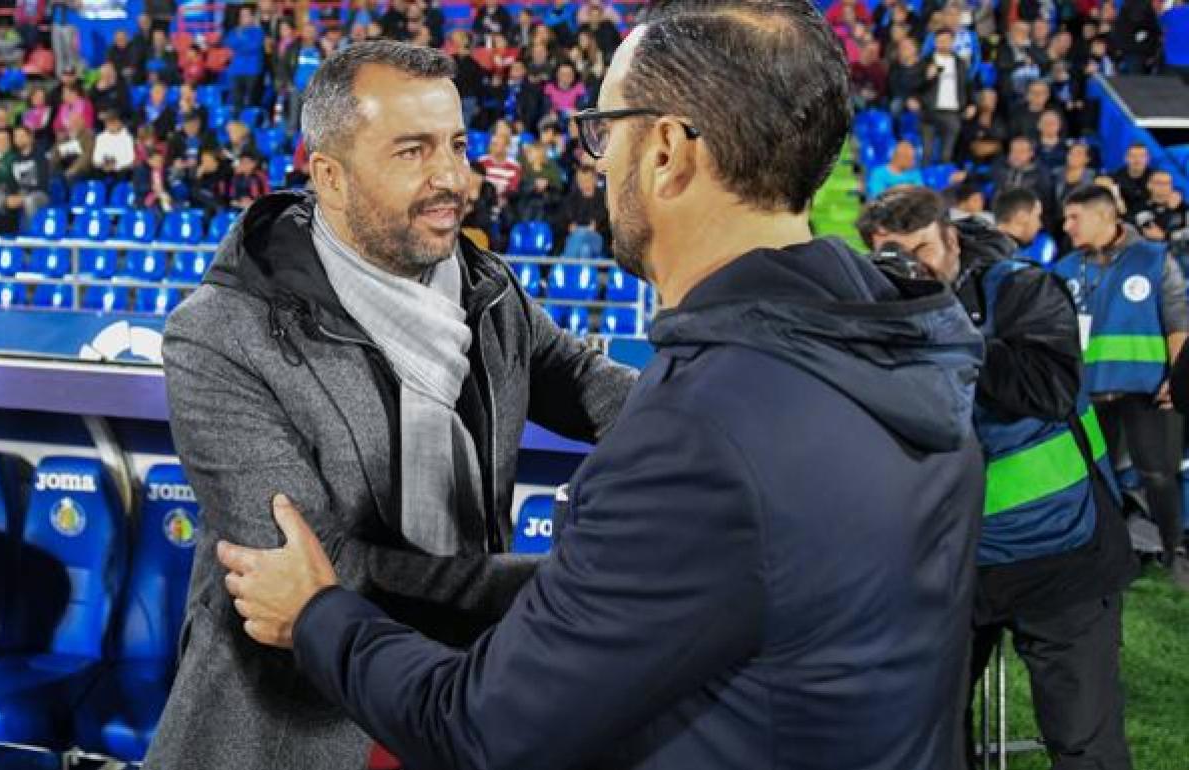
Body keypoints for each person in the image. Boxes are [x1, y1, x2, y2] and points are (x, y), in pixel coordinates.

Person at [215, 4, 986, 769]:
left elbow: (485, 729)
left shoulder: (699, 437)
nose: (598, 161)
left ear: (666, 152)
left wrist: (319, 616)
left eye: (604, 129)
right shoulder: (906, 346)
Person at [143, 40, 636, 770]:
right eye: (413, 151)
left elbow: (588, 382)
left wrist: (727, 413)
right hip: (298, 732)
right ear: (330, 177)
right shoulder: (221, 334)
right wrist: (568, 586)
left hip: (451, 703)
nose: (451, 178)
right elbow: (321, 575)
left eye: (457, 145)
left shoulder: (485, 289)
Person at [858, 185, 1138, 770]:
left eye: (922, 250)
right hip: (950, 563)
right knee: (928, 739)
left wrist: (942, 326)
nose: (913, 268)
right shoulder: (874, 315)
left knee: (1084, 743)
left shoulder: (1021, 288)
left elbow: (1049, 388)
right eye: (894, 255)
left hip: (1062, 554)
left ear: (952, 239)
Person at [1054, 185, 1189, 584]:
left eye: (1074, 217)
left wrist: (1177, 377)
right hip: (1088, 393)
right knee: (1098, 476)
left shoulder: (1154, 258)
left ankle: (1174, 551)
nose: (1066, 226)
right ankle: (1108, 553)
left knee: (1159, 474)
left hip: (1148, 390)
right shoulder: (1064, 268)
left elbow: (1178, 323)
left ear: (1103, 216)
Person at [918, 28, 974, 165]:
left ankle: (944, 176)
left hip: (953, 112)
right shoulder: (925, 62)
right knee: (927, 153)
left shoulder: (960, 63)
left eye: (946, 40)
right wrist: (926, 78)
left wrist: (971, 104)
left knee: (946, 155)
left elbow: (968, 85)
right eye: (940, 41)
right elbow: (915, 86)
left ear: (953, 42)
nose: (943, 44)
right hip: (930, 111)